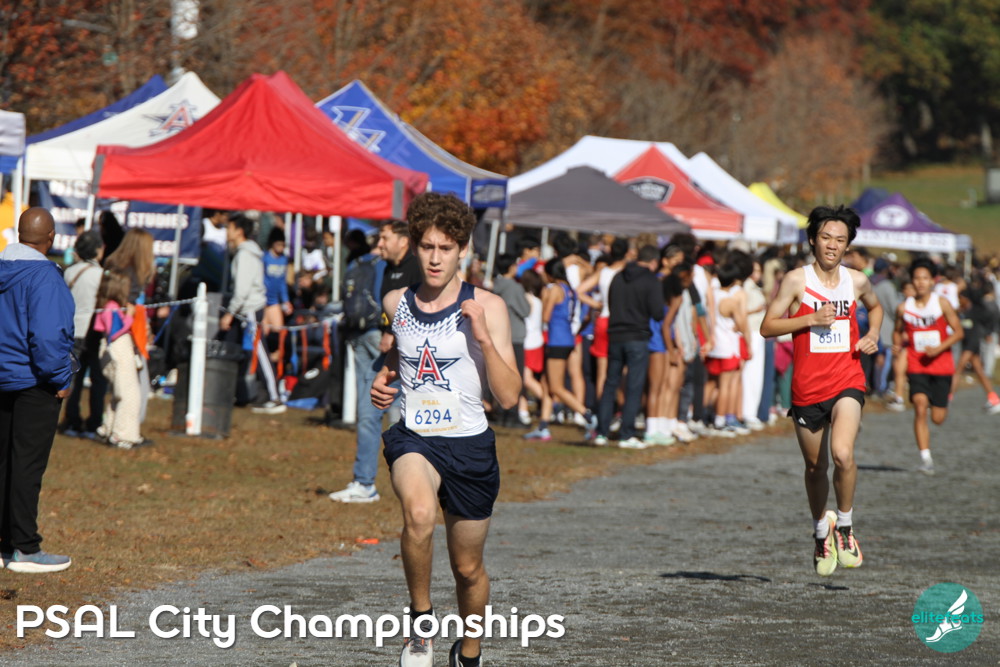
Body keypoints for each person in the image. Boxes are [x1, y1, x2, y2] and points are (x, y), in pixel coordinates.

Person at [370, 192, 520, 667]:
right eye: (427, 247)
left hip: (470, 446)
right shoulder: (396, 301)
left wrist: (484, 340)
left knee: (467, 568)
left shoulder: (488, 305)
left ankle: (469, 652)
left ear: (463, 250)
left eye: (446, 248)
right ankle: (421, 626)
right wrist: (384, 379)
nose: (435, 258)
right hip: (415, 438)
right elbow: (398, 355)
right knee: (418, 514)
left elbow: (510, 396)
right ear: (415, 246)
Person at [760, 205, 882, 577]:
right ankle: (820, 531)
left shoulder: (856, 281)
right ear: (813, 239)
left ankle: (844, 526)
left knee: (842, 454)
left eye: (840, 240)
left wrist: (873, 334)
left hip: (847, 379)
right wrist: (809, 318)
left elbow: (876, 308)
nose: (832, 245)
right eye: (826, 237)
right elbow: (767, 327)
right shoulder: (796, 280)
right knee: (816, 467)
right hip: (807, 388)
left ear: (848, 246)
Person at [0, 207, 75, 572]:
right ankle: (25, 548)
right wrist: (61, 378)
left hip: (4, 377)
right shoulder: (45, 277)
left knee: (4, 464)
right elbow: (47, 338)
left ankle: (5, 544)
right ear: (51, 238)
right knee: (27, 467)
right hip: (35, 382)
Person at [328, 219, 420, 504]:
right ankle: (365, 482)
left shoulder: (416, 269)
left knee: (411, 422)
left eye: (384, 238)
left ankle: (418, 483)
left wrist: (392, 332)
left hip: (412, 361)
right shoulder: (387, 268)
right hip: (385, 354)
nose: (379, 244)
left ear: (403, 241)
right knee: (368, 412)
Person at [894, 258, 963, 475]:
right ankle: (926, 459)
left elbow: (959, 332)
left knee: (938, 418)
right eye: (917, 278)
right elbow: (897, 331)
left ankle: (939, 402)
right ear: (912, 281)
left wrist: (939, 348)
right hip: (917, 365)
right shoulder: (904, 308)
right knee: (920, 405)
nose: (921, 282)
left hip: (942, 366)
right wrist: (897, 345)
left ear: (933, 281)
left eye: (925, 278)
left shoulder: (941, 304)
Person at [593, 245, 665, 448]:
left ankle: (601, 432)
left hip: (615, 334)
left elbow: (610, 303)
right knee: (634, 386)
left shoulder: (618, 276)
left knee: (610, 384)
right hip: (637, 335)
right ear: (653, 262)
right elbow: (657, 312)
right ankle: (627, 434)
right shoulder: (651, 280)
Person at [218, 213, 284, 414]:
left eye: (229, 228)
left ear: (239, 231)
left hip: (250, 309)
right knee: (248, 353)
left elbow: (242, 291)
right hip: (249, 309)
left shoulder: (245, 254)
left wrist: (229, 313)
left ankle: (275, 397)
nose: (226, 232)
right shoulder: (245, 252)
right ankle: (244, 393)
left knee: (261, 352)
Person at [93, 269, 152, 449]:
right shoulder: (111, 307)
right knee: (129, 394)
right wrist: (129, 316)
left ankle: (108, 429)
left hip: (115, 349)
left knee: (119, 393)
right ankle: (123, 435)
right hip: (118, 349)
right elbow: (115, 331)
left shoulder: (108, 305)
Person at [61, 230, 107, 439]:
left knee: (73, 379)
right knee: (98, 380)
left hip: (72, 331)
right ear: (97, 250)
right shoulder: (101, 275)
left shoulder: (69, 272)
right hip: (94, 331)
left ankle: (71, 420)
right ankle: (94, 423)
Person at [489, 254, 530, 427]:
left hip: (497, 335)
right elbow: (525, 310)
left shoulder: (495, 285)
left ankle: (499, 412)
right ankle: (512, 415)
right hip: (514, 336)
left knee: (498, 375)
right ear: (511, 267)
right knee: (515, 376)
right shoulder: (514, 287)